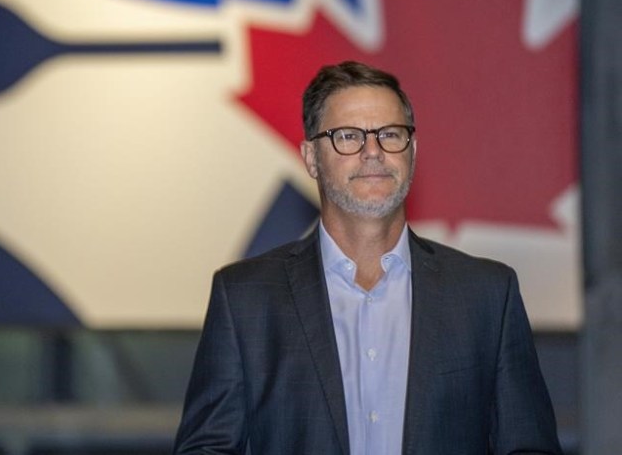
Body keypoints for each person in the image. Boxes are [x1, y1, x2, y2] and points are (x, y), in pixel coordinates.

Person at [173, 61, 561, 454]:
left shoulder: (486, 295)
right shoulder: (245, 299)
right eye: (348, 136)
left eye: (390, 134)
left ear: (412, 150)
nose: (372, 151)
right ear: (310, 158)